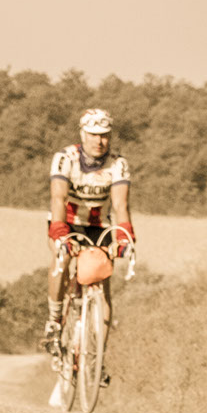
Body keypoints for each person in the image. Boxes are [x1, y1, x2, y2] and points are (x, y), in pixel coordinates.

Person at [45, 108, 135, 379]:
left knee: (102, 284)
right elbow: (58, 198)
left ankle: (97, 360)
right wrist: (60, 234)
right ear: (82, 134)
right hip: (67, 221)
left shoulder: (118, 164)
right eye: (94, 135)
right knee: (61, 261)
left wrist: (124, 237)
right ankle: (54, 320)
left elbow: (120, 205)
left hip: (99, 227)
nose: (100, 142)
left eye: (105, 136)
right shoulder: (65, 159)